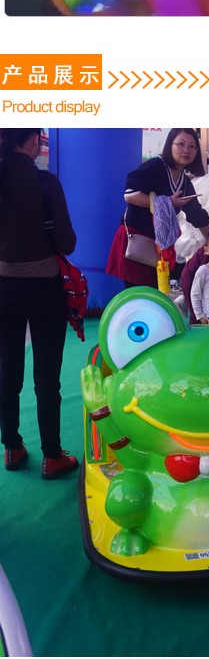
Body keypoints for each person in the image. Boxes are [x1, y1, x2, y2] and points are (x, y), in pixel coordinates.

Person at [0, 129, 79, 479]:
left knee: (7, 372)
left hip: (3, 288)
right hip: (44, 289)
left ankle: (12, 447)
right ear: (33, 140)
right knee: (47, 378)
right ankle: (52, 456)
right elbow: (67, 242)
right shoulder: (46, 183)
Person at [106, 128, 209, 288]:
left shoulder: (184, 182)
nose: (186, 150)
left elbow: (197, 215)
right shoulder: (155, 166)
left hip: (158, 248)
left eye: (192, 146)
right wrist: (168, 202)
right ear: (169, 145)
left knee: (154, 293)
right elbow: (130, 195)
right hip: (137, 240)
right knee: (141, 295)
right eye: (181, 144)